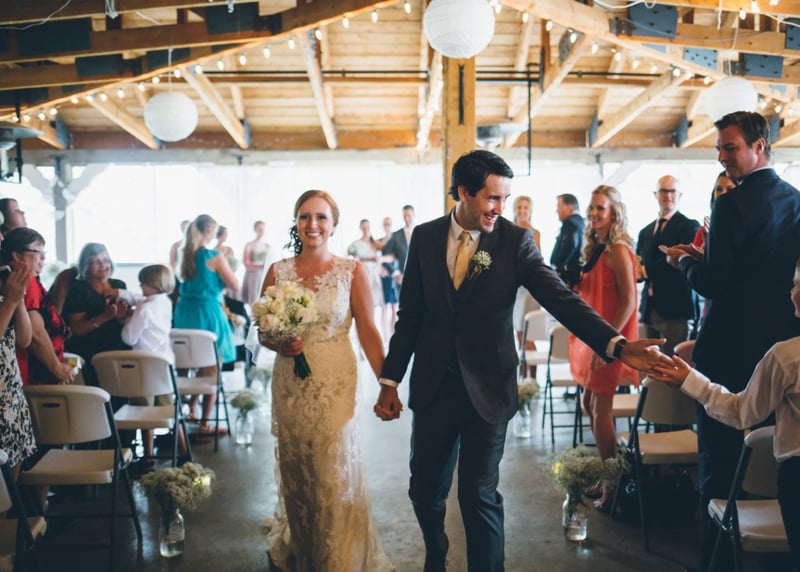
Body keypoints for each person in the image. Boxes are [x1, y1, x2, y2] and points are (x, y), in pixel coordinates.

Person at [375, 149, 670, 572]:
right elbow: (410, 317)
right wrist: (390, 381)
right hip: (434, 387)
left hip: (489, 389)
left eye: (505, 199)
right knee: (424, 493)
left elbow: (561, 299)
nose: (500, 208)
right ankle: (435, 557)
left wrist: (618, 345)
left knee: (477, 494)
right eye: (492, 198)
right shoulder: (424, 237)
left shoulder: (515, 242)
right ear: (464, 192)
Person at [661, 111, 800, 572]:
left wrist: (685, 262)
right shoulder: (795, 201)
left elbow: (714, 283)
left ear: (759, 146)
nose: (722, 157)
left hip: (726, 348)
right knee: (772, 456)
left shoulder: (731, 205)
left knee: (719, 468)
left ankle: (717, 561)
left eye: (730, 147)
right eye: (719, 148)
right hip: (779, 343)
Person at [258, 190, 393, 571]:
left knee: (332, 468)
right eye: (305, 216)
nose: (312, 224)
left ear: (334, 225)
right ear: (296, 222)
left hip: (336, 381)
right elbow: (262, 332)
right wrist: (280, 343)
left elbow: (368, 331)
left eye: (321, 217)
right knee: (298, 465)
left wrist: (388, 384)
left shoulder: (352, 271)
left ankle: (337, 556)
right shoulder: (278, 271)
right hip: (290, 382)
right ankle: (305, 545)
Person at [651, 255, 800, 570]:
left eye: (796, 284)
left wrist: (690, 380)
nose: (791, 292)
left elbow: (742, 413)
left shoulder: (787, 357)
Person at [568, 185, 639, 510]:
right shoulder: (597, 248)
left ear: (614, 213)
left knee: (600, 409)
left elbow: (629, 302)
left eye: (601, 208)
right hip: (596, 336)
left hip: (611, 339)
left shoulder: (619, 250)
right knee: (588, 402)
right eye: (592, 208)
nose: (594, 213)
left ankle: (612, 484)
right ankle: (607, 471)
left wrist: (608, 344)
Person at [173, 214, 239, 436]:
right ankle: (204, 423)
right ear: (209, 230)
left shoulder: (184, 254)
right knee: (211, 367)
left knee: (189, 361)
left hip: (184, 312)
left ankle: (189, 408)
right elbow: (235, 285)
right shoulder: (214, 256)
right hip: (208, 312)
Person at [120, 264, 188, 465]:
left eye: (143, 283)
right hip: (164, 366)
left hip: (144, 368)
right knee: (169, 409)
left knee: (145, 412)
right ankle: (185, 453)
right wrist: (122, 294)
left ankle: (148, 458)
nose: (140, 286)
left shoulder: (145, 310)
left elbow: (128, 338)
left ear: (153, 285)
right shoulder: (164, 302)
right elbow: (138, 298)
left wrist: (128, 318)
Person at [636, 175, 700, 356]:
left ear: (680, 195)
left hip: (676, 308)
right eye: (664, 191)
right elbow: (639, 262)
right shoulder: (645, 232)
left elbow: (678, 261)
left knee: (674, 363)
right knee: (651, 362)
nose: (668, 195)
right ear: (655, 194)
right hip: (650, 308)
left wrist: (646, 271)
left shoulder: (689, 226)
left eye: (673, 191)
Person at [2, 228, 74, 386]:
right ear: (17, 255)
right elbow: (35, 333)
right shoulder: (25, 281)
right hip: (29, 374)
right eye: (37, 251)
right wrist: (56, 368)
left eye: (43, 252)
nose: (43, 257)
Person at [63, 243, 132, 388]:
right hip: (90, 352)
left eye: (106, 260)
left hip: (119, 348)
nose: (103, 265)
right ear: (85, 265)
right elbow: (75, 329)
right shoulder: (78, 290)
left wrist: (124, 316)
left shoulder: (119, 285)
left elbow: (125, 319)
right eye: (96, 261)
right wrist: (105, 316)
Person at [0, 257, 34, 486]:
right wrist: (10, 301)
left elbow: (24, 339)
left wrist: (18, 299)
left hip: (11, 396)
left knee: (9, 491)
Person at [510, 195, 541, 379]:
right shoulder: (508, 230)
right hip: (515, 288)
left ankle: (533, 379)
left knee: (529, 333)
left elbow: (537, 258)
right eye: (519, 207)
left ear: (530, 211)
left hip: (529, 289)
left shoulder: (535, 232)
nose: (522, 210)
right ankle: (522, 378)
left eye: (525, 208)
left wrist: (527, 229)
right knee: (518, 334)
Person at [550, 193, 584, 289]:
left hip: (568, 277)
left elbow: (570, 244)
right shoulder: (583, 222)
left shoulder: (569, 223)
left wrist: (556, 266)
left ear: (569, 207)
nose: (557, 210)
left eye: (559, 206)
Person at [347, 218, 383, 308]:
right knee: (364, 298)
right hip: (363, 271)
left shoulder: (376, 243)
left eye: (368, 227)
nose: (366, 230)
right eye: (364, 228)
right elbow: (350, 256)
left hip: (374, 272)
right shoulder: (356, 244)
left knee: (375, 299)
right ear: (360, 229)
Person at [381, 204, 415, 286]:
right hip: (401, 280)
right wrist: (396, 273)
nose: (406, 219)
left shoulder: (421, 232)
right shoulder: (395, 235)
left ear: (414, 215)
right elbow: (385, 255)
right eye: (404, 216)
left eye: (409, 216)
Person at [378, 216, 399, 342]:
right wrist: (379, 266)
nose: (387, 226)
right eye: (385, 224)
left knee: (395, 307)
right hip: (383, 277)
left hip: (393, 275)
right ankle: (385, 337)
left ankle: (392, 335)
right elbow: (373, 257)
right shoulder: (378, 241)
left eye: (389, 224)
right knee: (384, 307)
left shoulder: (395, 240)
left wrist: (381, 260)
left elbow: (396, 256)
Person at [241, 220, 271, 305]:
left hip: (264, 275)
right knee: (253, 299)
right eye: (259, 229)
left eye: (263, 229)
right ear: (255, 230)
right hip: (253, 276)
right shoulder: (249, 245)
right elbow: (246, 264)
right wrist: (261, 266)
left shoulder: (267, 246)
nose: (262, 231)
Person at [215, 225, 239, 299]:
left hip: (230, 278)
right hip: (219, 281)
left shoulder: (229, 249)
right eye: (225, 233)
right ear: (219, 234)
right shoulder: (213, 251)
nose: (226, 236)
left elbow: (235, 265)